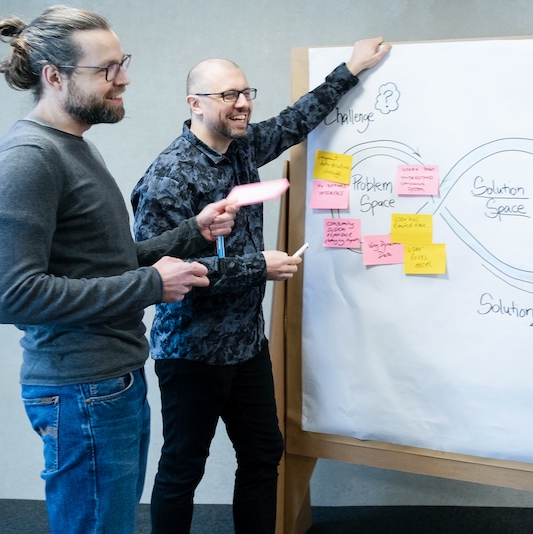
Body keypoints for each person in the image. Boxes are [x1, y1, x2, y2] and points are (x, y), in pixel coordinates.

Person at [0, 6, 237, 534]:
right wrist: (151, 285)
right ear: (55, 77)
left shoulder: (73, 146)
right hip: (82, 392)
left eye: (122, 63)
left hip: (109, 384)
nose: (123, 78)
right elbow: (14, 296)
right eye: (106, 69)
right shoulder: (26, 159)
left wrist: (192, 232)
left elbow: (101, 260)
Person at [130, 38, 391, 533]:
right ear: (195, 104)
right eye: (228, 95)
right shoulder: (169, 177)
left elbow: (296, 120)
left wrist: (351, 68)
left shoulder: (242, 147)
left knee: (262, 455)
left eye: (246, 92)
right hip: (192, 351)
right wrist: (258, 268)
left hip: (246, 345)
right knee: (183, 467)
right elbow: (162, 274)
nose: (243, 103)